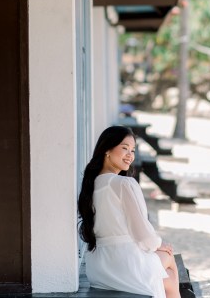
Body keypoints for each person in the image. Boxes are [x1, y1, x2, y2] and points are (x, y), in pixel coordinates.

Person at [78, 125, 180, 298]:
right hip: (125, 264)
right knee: (169, 258)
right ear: (107, 150)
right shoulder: (124, 183)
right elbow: (143, 233)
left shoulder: (91, 184)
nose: (130, 155)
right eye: (124, 148)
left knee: (168, 282)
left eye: (132, 150)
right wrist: (158, 244)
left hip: (98, 267)